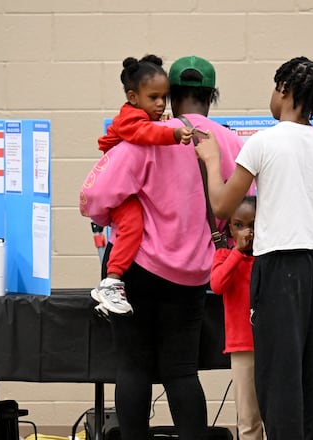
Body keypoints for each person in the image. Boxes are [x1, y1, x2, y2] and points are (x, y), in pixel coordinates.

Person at [79, 55, 245, 440]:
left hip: (136, 269)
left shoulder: (147, 137)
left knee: (133, 368)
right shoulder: (232, 142)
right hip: (192, 274)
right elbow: (247, 206)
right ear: (212, 95)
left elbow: (96, 196)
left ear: (169, 96)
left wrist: (116, 218)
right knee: (182, 371)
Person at [195, 56, 313, 440]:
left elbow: (222, 207)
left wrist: (212, 161)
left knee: (279, 380)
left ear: (285, 90)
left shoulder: (263, 141)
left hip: (279, 266)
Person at [91, 54, 194, 316]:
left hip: (129, 187)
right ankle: (112, 281)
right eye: (153, 98)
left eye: (164, 97)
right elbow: (143, 134)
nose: (161, 103)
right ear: (133, 97)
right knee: (132, 226)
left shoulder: (142, 116)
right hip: (121, 192)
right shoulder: (130, 118)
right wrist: (171, 132)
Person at [209, 195, 264, 440]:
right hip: (243, 346)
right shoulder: (224, 257)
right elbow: (218, 284)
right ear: (230, 229)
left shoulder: (269, 258)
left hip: (272, 344)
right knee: (248, 416)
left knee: (275, 412)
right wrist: (237, 253)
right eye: (239, 225)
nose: (247, 232)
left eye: (253, 224)